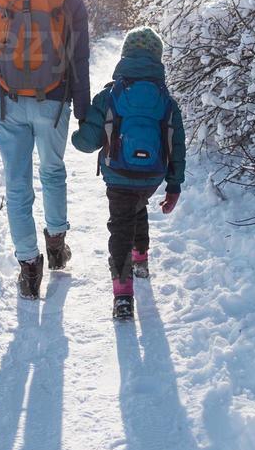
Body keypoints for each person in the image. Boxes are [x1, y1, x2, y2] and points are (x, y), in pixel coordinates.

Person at [0, 0, 91, 300]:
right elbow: (79, 57)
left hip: (7, 103)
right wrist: (82, 107)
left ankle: (29, 266)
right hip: (52, 101)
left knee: (16, 186)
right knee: (53, 171)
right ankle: (57, 245)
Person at [71, 27, 186, 321]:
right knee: (139, 207)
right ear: (157, 59)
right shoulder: (167, 101)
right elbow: (177, 145)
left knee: (120, 225)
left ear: (125, 56)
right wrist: (174, 186)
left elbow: (87, 142)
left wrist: (76, 136)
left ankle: (123, 295)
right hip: (151, 176)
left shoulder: (110, 94)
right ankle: (141, 259)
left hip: (118, 173)